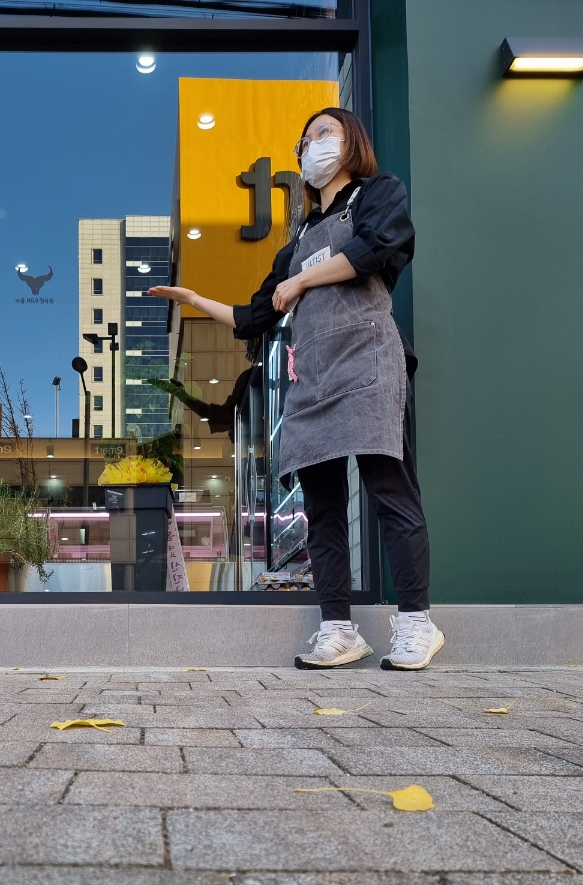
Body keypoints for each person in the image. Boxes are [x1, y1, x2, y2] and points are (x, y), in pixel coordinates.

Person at [149, 107, 444, 671]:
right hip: (312, 381)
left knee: (390, 491)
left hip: (368, 362)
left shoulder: (377, 195)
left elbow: (375, 248)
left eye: (323, 133)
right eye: (304, 142)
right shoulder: (297, 241)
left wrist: (303, 280)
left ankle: (415, 622)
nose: (311, 146)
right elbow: (253, 316)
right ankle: (338, 629)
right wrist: (194, 300)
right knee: (323, 510)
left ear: (352, 140)